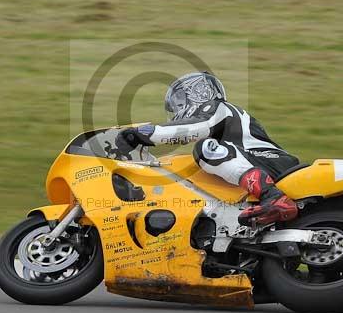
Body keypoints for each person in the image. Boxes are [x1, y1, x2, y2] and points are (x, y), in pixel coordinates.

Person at [116, 72, 299, 226]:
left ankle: (272, 196)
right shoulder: (223, 121)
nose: (177, 109)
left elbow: (194, 128)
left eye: (179, 101)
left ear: (199, 92)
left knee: (206, 149)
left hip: (272, 161)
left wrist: (146, 133)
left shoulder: (218, 108)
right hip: (262, 162)